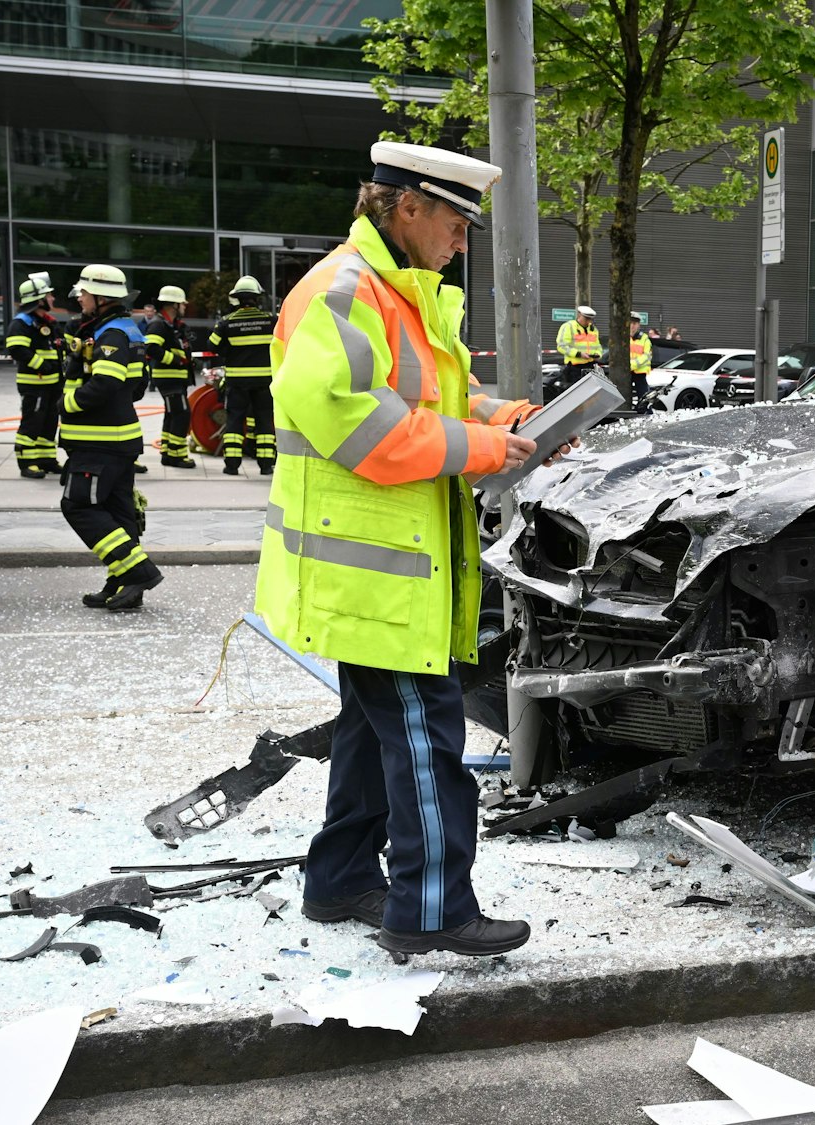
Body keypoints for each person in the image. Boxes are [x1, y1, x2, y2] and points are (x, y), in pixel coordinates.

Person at [257, 140, 576, 958]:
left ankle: (338, 882)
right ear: (406, 208)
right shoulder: (346, 290)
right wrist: (474, 446)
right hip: (373, 574)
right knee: (429, 742)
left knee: (374, 733)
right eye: (456, 221)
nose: (463, 241)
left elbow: (432, 397)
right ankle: (432, 907)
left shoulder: (393, 291)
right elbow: (357, 425)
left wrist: (503, 422)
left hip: (381, 571)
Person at [60, 265, 163, 611]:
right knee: (119, 514)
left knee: (79, 505)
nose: (80, 298)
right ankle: (122, 583)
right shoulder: (124, 330)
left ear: (102, 298)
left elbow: (105, 384)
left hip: (99, 444)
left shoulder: (113, 335)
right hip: (116, 442)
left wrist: (68, 404)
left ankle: (138, 572)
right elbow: (134, 388)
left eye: (85, 293)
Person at [210, 275, 279, 475]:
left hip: (237, 382)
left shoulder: (226, 323)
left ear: (237, 299)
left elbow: (212, 346)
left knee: (234, 420)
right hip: (265, 381)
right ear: (257, 298)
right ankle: (266, 465)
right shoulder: (271, 320)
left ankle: (232, 465)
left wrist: (228, 351)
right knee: (264, 421)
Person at [6, 276, 65, 479]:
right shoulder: (22, 323)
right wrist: (43, 365)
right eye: (48, 294)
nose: (52, 298)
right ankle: (27, 462)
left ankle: (47, 460)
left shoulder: (49, 322)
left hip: (53, 384)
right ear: (39, 299)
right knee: (32, 422)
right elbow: (16, 348)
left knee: (49, 422)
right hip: (34, 384)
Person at [143, 286, 197, 468]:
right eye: (182, 303)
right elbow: (150, 348)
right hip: (169, 378)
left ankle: (167, 452)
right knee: (182, 414)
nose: (184, 306)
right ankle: (176, 455)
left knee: (172, 413)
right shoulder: (158, 324)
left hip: (175, 378)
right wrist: (176, 359)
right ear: (174, 304)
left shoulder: (171, 325)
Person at [554, 304, 601, 388]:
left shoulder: (593, 330)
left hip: (590, 366)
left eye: (590, 319)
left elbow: (598, 346)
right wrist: (578, 354)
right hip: (574, 368)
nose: (588, 321)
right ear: (579, 315)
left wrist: (598, 354)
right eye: (586, 318)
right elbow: (562, 346)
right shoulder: (568, 327)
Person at [625, 311, 655, 409]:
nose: (632, 326)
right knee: (624, 395)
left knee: (643, 396)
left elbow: (647, 356)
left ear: (638, 325)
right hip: (626, 372)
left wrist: (632, 364)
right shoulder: (623, 338)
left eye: (634, 324)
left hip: (639, 372)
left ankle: (646, 413)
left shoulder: (645, 339)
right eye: (630, 323)